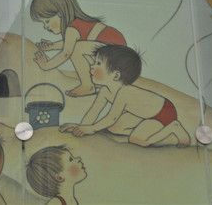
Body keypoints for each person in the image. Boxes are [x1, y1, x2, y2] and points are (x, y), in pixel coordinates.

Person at [59, 45, 190, 148]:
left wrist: (90, 129)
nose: (92, 67)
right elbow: (93, 112)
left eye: (98, 64)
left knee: (137, 139)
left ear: (115, 75)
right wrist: (80, 127)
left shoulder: (124, 93)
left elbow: (111, 117)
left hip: (164, 113)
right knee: (114, 128)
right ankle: (148, 130)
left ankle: (173, 128)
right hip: (145, 114)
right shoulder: (105, 90)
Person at [30, 0, 127, 97]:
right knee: (77, 48)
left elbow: (67, 52)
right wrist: (52, 46)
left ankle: (88, 86)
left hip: (115, 54)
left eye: (47, 21)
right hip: (116, 53)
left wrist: (46, 65)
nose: (46, 27)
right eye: (43, 23)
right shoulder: (76, 24)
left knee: (76, 50)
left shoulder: (72, 28)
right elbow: (70, 43)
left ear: (60, 14)